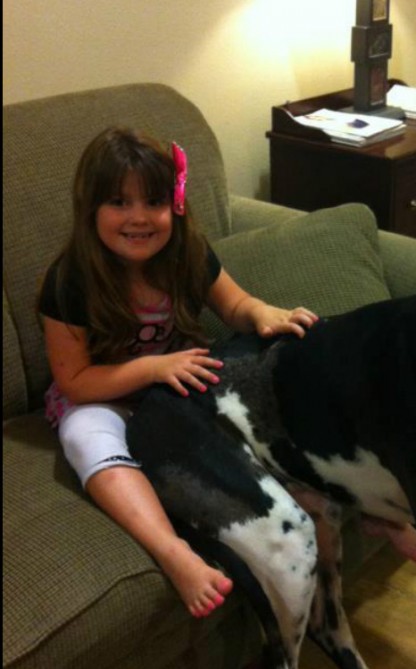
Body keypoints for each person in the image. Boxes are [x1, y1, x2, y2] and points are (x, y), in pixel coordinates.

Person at [38, 126, 318, 621]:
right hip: (100, 395)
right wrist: (151, 366)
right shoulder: (69, 280)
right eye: (119, 203)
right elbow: (74, 381)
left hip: (173, 382)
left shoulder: (186, 253)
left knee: (254, 384)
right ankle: (172, 552)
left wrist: (262, 314)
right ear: (91, 211)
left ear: (177, 205)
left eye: (154, 201)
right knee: (84, 436)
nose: (140, 217)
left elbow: (234, 304)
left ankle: (323, 490)